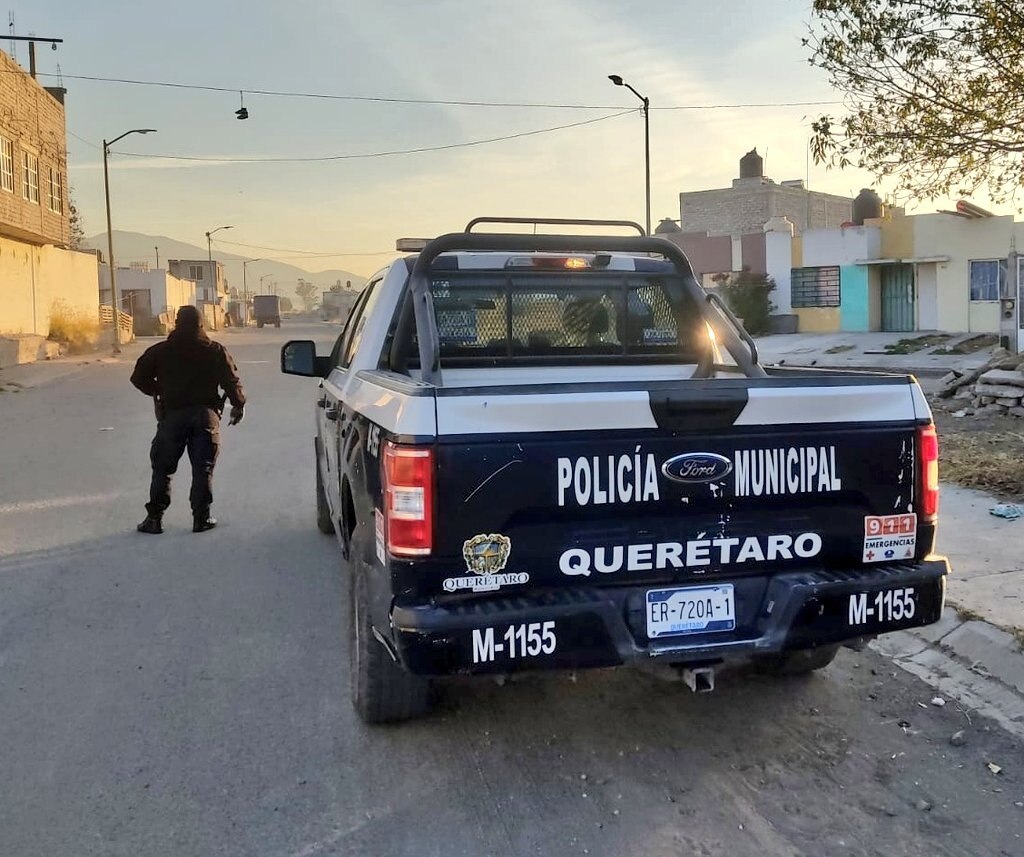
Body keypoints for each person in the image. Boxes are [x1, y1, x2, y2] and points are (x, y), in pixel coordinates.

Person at [130, 305, 246, 534]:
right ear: (201, 324)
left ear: (176, 323)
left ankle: (154, 519)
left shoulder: (160, 351)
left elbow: (138, 377)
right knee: (203, 469)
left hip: (172, 417)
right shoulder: (215, 351)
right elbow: (231, 382)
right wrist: (238, 406)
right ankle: (201, 519)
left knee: (162, 469)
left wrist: (158, 391)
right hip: (206, 417)